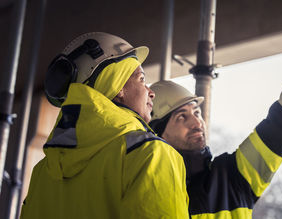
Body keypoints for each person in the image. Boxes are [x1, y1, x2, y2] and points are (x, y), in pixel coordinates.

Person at [149, 3, 282, 218]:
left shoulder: (233, 177)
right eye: (182, 117)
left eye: (196, 113)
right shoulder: (146, 189)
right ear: (158, 132)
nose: (197, 123)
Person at [20, 32, 189, 219]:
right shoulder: (150, 153)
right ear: (118, 87)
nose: (151, 92)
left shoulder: (43, 172)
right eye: (141, 79)